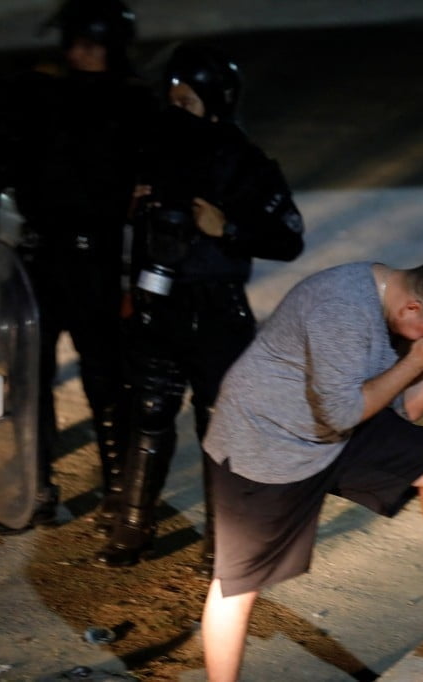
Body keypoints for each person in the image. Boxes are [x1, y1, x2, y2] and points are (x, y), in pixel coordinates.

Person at [199, 260, 423, 680]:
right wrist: (415, 362)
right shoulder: (340, 308)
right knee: (239, 584)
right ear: (412, 308)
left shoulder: (396, 308)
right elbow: (345, 412)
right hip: (265, 444)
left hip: (331, 429)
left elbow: (409, 408)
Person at [96, 44, 305, 569]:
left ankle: (223, 543)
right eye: (173, 99)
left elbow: (287, 238)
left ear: (216, 104)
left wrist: (228, 228)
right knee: (149, 412)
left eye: (187, 102)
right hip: (159, 299)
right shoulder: (151, 150)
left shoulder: (246, 162)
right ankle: (131, 527)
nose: (176, 111)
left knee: (219, 425)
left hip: (217, 309)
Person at [0, 0, 157, 533]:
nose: (80, 54)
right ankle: (36, 489)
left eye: (92, 46)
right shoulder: (35, 91)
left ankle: (120, 491)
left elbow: (157, 170)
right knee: (30, 375)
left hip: (97, 255)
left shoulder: (135, 101)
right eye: (75, 43)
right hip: (39, 250)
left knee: (105, 375)